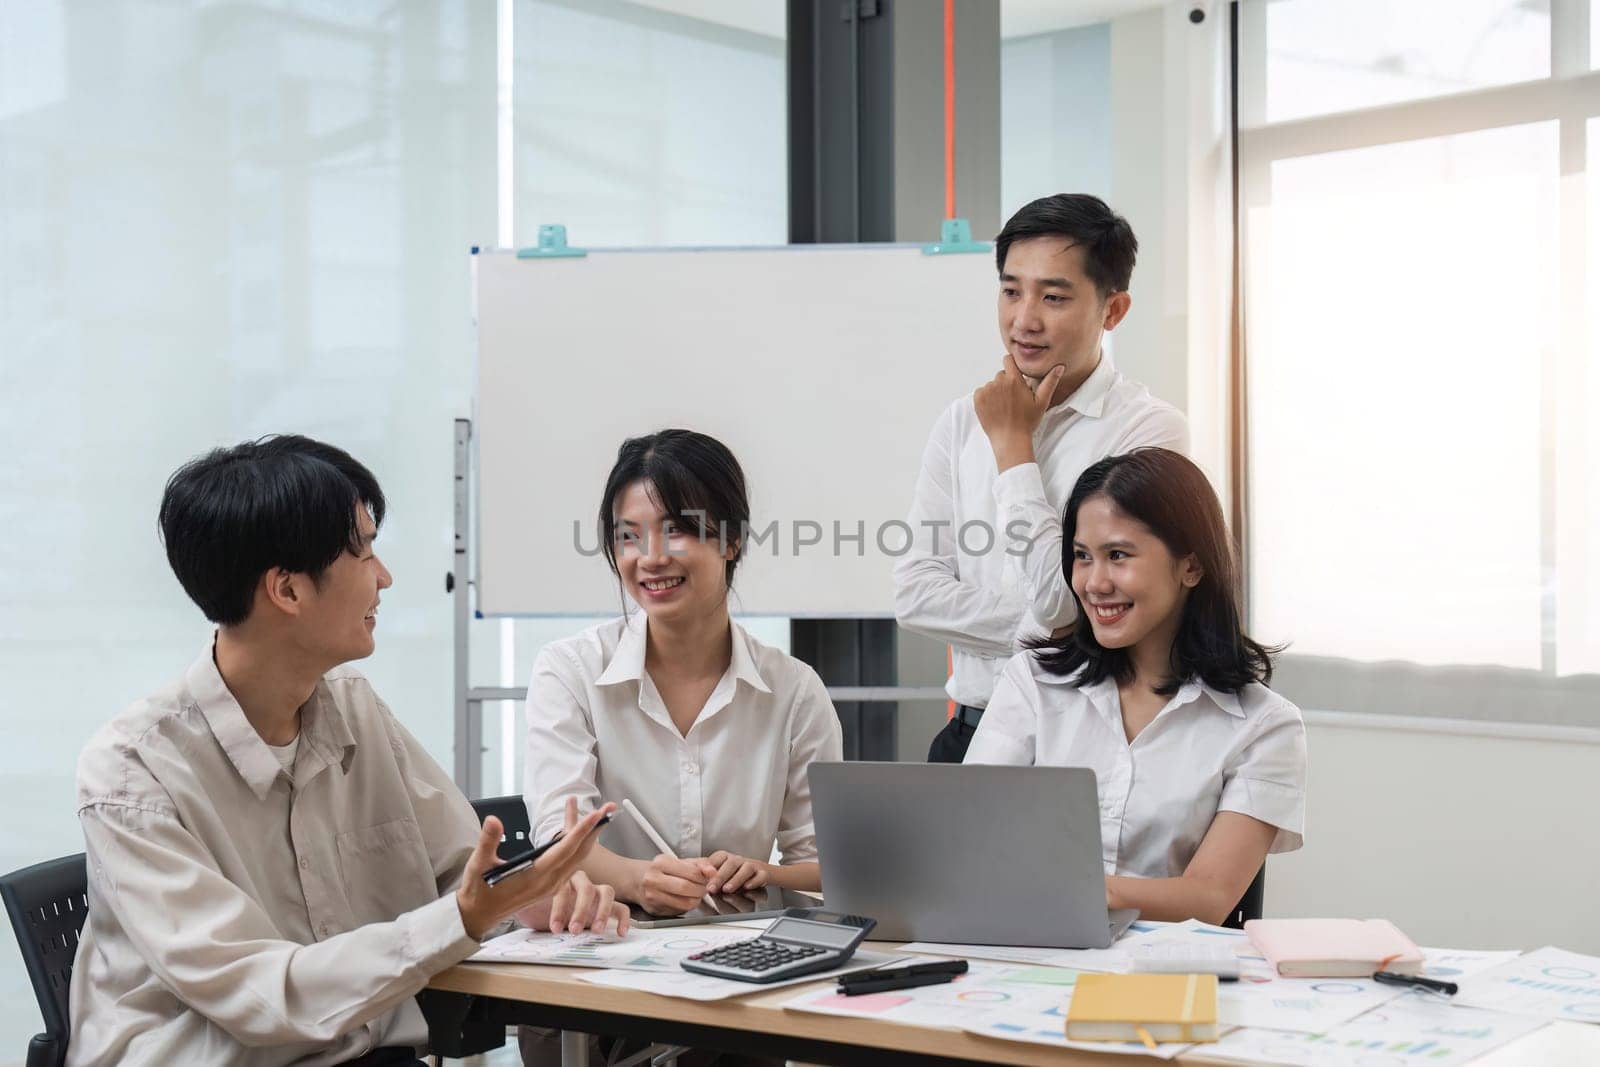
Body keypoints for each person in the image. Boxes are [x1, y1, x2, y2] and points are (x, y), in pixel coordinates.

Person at [69, 435, 625, 1066]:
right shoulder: (133, 773)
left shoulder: (352, 705)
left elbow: (458, 872)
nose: (383, 578)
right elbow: (263, 996)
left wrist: (532, 898)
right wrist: (466, 915)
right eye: (364, 551)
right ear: (288, 590)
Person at [894, 193, 1189, 763]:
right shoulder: (961, 420)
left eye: (1053, 297)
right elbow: (914, 594)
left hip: (1086, 743)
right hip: (969, 733)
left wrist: (1013, 449)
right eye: (1010, 291)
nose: (1023, 320)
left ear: (1113, 311)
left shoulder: (1150, 433)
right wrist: (1057, 629)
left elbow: (1070, 601)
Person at [964, 448, 1307, 924]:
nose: (1094, 583)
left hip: (1165, 976)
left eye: (1118, 556)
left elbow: (1209, 899)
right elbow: (969, 842)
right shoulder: (1032, 683)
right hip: (1027, 952)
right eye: (1082, 557)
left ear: (1191, 566)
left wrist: (1066, 888)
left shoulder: (1265, 725)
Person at [524, 429, 843, 917]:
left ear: (732, 540)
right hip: (608, 954)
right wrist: (637, 879)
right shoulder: (571, 672)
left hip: (743, 956)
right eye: (628, 536)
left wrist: (765, 873)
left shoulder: (794, 691)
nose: (650, 558)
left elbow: (826, 863)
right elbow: (559, 836)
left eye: (676, 530)